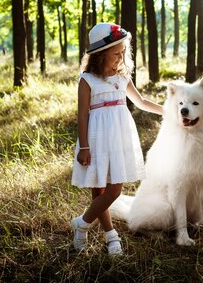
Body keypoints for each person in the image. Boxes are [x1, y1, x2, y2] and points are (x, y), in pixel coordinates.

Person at [70, 22, 163, 256]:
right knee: (99, 189)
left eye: (123, 52)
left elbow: (141, 102)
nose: (121, 57)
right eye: (116, 53)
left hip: (119, 136)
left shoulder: (123, 77)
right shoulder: (87, 80)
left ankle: (81, 223)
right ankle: (110, 235)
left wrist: (168, 110)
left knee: (115, 189)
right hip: (97, 137)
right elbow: (82, 115)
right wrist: (84, 146)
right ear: (100, 56)